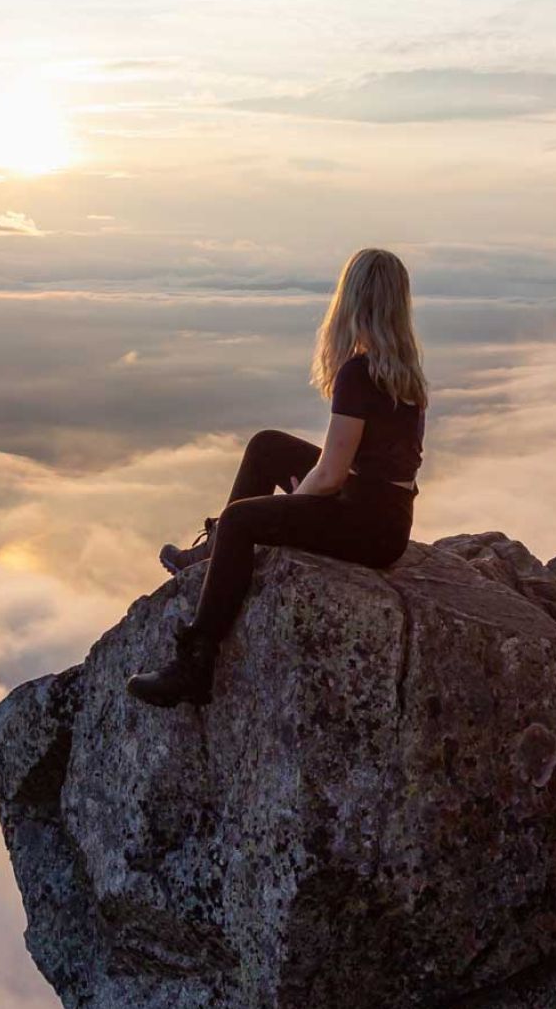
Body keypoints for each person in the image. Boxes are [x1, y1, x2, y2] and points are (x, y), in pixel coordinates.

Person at [127, 248, 426, 708]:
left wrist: (287, 512)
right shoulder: (402, 370)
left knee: (242, 521)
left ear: (353, 299)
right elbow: (354, 466)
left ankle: (196, 664)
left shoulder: (359, 372)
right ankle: (212, 555)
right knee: (268, 446)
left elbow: (328, 476)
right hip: (386, 518)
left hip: (365, 524)